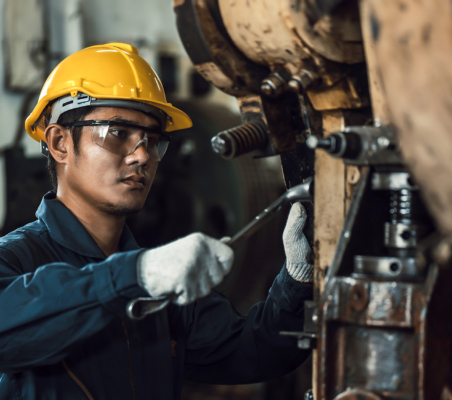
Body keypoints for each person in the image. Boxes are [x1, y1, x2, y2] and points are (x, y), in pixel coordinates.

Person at [0, 43, 314, 400]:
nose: (142, 156)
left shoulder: (163, 286)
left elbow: (256, 352)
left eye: (152, 140)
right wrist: (135, 276)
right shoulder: (14, 260)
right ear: (59, 143)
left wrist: (298, 279)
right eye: (118, 133)